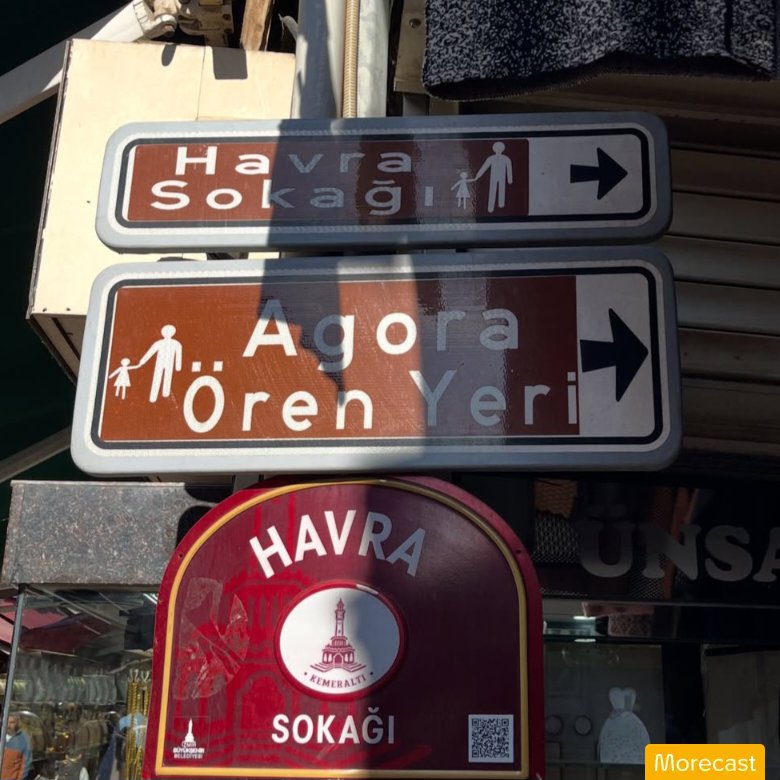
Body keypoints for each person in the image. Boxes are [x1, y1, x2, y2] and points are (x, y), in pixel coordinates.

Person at [1, 714, 31, 780]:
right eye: (6, 722)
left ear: (17, 723)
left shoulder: (24, 739)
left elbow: (26, 764)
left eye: (12, 722)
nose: (8, 725)